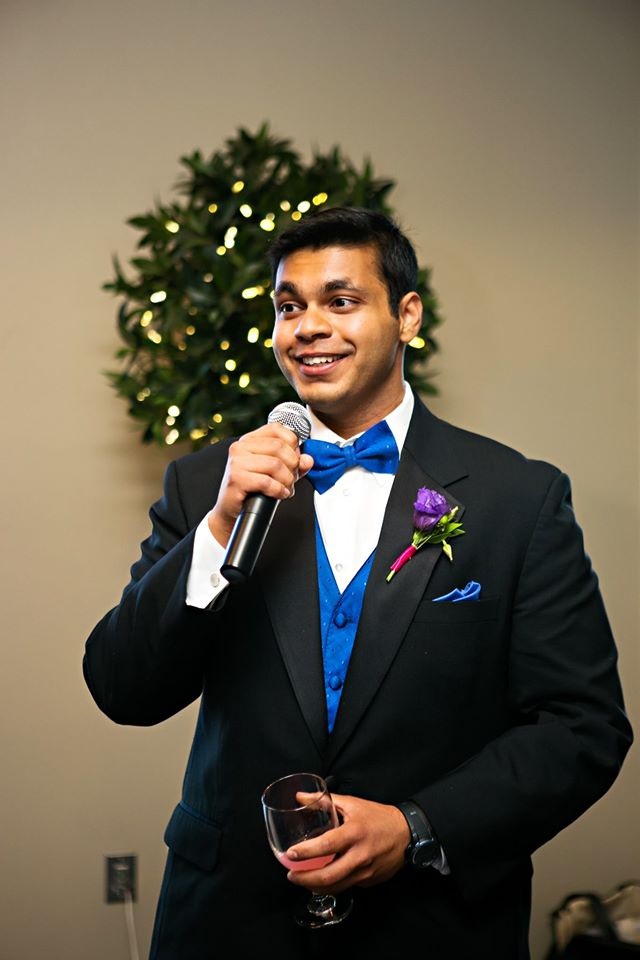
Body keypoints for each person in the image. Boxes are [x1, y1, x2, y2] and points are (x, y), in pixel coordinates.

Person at [83, 206, 632, 959]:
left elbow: (582, 727)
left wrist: (416, 827)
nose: (308, 327)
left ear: (407, 316)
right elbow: (123, 688)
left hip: (431, 928)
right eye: (289, 307)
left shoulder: (518, 498)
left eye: (341, 301)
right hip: (230, 922)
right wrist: (217, 528)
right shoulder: (206, 486)